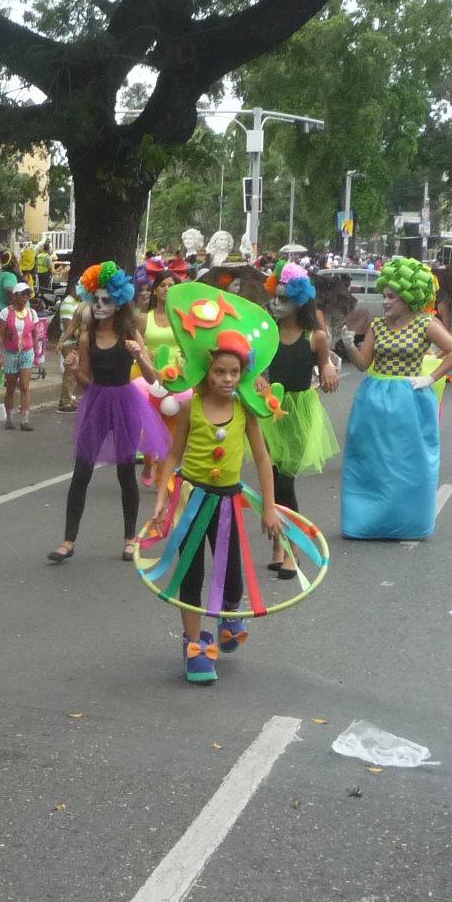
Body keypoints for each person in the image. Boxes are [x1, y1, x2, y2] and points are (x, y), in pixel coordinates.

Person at [145, 288, 285, 683]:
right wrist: (162, 496)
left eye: (234, 372)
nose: (227, 378)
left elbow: (261, 459)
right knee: (190, 574)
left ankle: (226, 618)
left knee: (231, 580)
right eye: (220, 371)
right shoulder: (190, 407)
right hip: (192, 498)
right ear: (206, 371)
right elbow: (173, 456)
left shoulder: (245, 410)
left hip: (228, 504)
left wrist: (270, 507)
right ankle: (193, 646)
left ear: (244, 374)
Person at [46, 261, 166, 564]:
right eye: (95, 300)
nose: (99, 306)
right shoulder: (87, 338)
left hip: (125, 403)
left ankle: (129, 539)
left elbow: (153, 381)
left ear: (117, 303)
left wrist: (141, 357)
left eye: (106, 301)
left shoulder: (128, 333)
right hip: (97, 404)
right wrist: (74, 371)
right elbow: (87, 383)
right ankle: (67, 540)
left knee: (126, 472)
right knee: (81, 472)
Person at [340, 257, 452, 541]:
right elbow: (362, 364)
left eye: (391, 297)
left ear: (409, 297)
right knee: (370, 461)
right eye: (384, 296)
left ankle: (407, 522)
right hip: (373, 398)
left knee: (407, 463)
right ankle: (365, 522)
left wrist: (430, 379)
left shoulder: (425, 323)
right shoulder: (379, 326)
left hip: (409, 399)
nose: (385, 302)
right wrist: (349, 343)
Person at [259, 260, 341, 570]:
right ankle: (278, 547)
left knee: (284, 483)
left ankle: (290, 547)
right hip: (269, 411)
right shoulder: (266, 332)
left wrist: (329, 367)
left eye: (283, 299)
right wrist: (256, 377)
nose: (276, 304)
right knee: (272, 483)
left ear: (299, 301)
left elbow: (326, 368)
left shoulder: (314, 336)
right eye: (275, 297)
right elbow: (253, 366)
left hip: (298, 413)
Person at [0, 279, 42, 431]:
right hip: (10, 353)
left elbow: (35, 335)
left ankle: (25, 419)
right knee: (10, 387)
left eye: (27, 295)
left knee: (24, 385)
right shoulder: (5, 313)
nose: (25, 298)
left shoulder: (32, 313)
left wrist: (37, 354)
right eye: (22, 295)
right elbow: (0, 335)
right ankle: (9, 417)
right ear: (15, 296)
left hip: (26, 353)